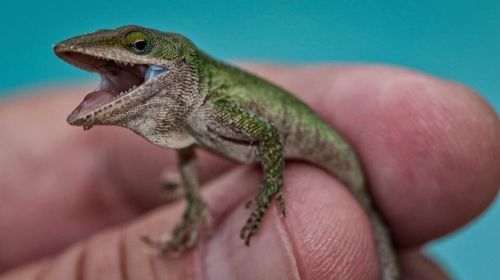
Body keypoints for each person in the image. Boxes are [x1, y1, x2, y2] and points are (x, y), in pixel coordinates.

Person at [0, 65, 498, 279]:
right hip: (331, 196)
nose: (128, 54)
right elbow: (186, 150)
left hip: (341, 166)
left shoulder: (216, 101)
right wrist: (195, 200)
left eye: (139, 45)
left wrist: (268, 191)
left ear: (179, 63)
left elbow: (268, 138)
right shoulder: (194, 117)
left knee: (379, 244)